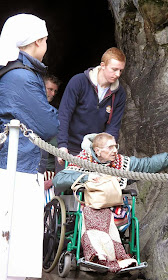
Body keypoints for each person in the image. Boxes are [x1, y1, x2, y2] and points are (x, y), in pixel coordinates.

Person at [52, 132, 168, 272]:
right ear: (97, 150)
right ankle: (98, 256)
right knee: (94, 215)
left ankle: (119, 258)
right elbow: (58, 180)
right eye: (110, 147)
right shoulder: (82, 160)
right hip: (89, 205)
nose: (115, 150)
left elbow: (146, 165)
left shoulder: (121, 162)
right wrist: (87, 177)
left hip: (114, 206)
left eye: (115, 146)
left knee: (122, 214)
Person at [0, 14, 59, 280]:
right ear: (37, 41)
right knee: (13, 239)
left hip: (16, 163)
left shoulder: (15, 71)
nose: (47, 45)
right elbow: (47, 124)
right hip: (16, 167)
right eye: (45, 40)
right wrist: (53, 114)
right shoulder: (21, 78)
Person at [57, 47, 127, 167]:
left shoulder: (120, 93)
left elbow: (113, 127)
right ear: (103, 65)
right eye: (114, 69)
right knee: (64, 184)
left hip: (96, 153)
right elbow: (64, 114)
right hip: (70, 147)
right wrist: (62, 146)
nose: (117, 74)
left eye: (120, 70)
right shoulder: (79, 82)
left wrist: (109, 150)